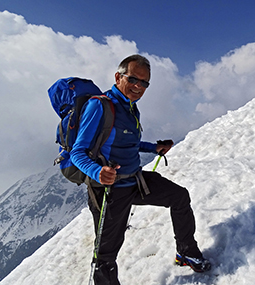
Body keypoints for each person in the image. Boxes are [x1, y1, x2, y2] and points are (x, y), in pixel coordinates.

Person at [70, 54, 211, 284]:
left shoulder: (131, 108)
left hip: (135, 180)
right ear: (118, 77)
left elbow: (130, 143)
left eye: (144, 83)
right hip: (109, 191)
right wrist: (97, 172)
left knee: (179, 197)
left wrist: (154, 148)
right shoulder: (100, 106)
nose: (138, 87)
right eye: (133, 79)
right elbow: (78, 151)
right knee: (106, 256)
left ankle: (186, 252)